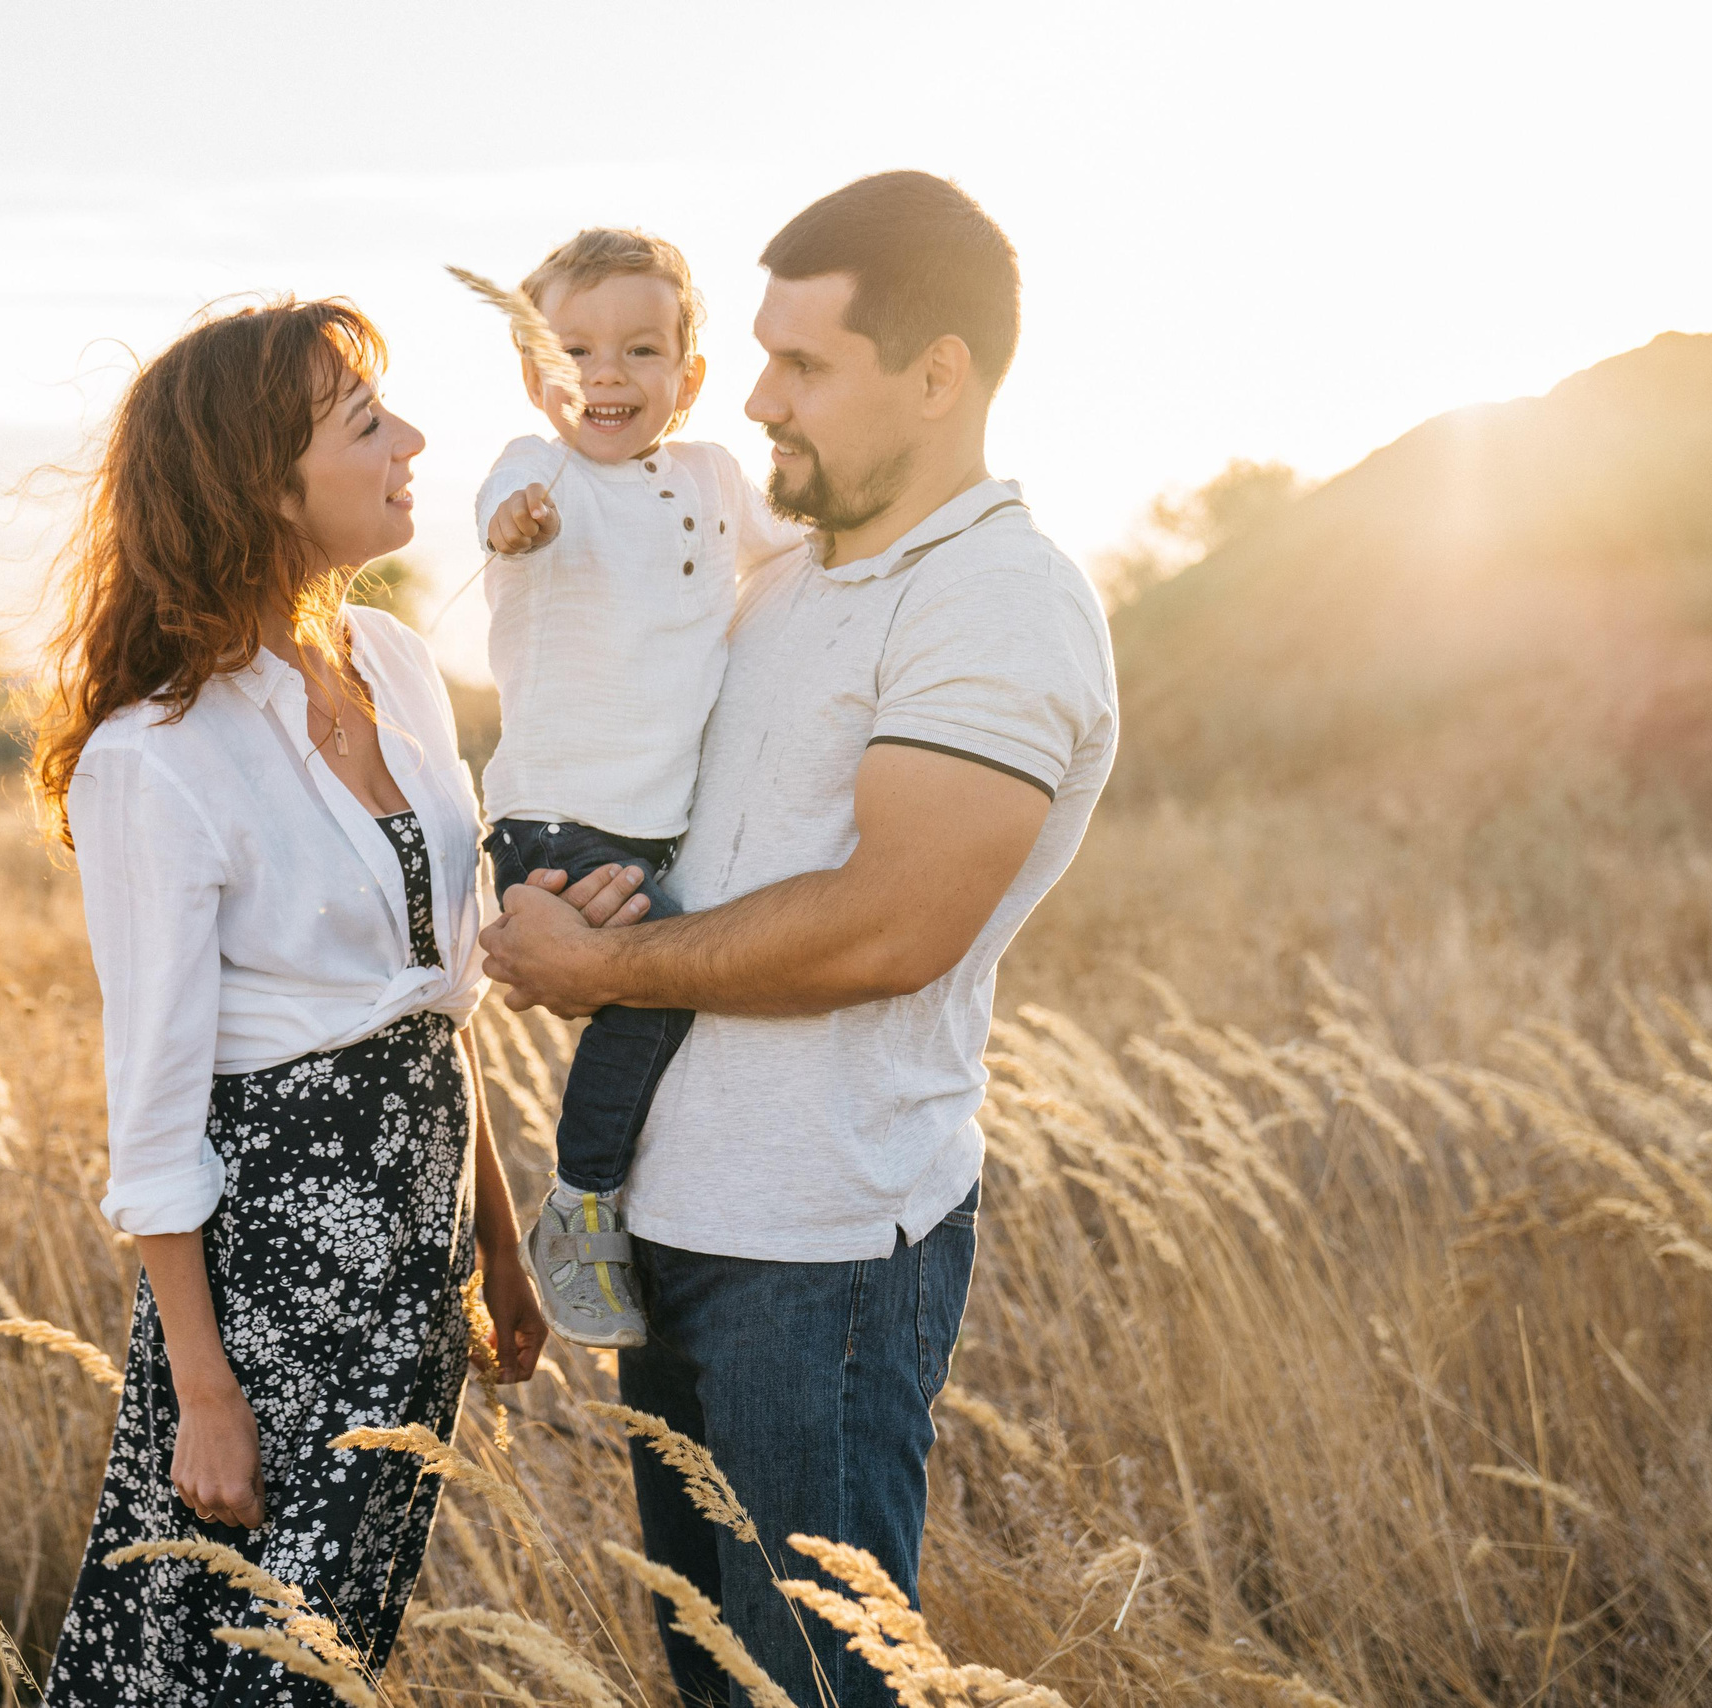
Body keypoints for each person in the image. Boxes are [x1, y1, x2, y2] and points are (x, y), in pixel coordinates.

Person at [481, 172, 1121, 1708]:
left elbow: (894, 924)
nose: (756, 399)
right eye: (758, 356)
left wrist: (610, 970)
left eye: (805, 366)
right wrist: (572, 904)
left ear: (938, 374)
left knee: (815, 1684)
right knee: (719, 1679)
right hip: (683, 1222)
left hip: (820, 1250)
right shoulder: (785, 579)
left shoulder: (996, 601)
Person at [30, 297, 547, 1707]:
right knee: (232, 1658)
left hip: (412, 1253)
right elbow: (152, 1110)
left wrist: (497, 1246)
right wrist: (202, 1392)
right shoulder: (159, 755)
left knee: (340, 1646)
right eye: (366, 424)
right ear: (265, 483)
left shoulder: (392, 666)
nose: (413, 442)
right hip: (270, 1277)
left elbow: (435, 1003)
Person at [471, 227, 801, 1349]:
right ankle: (579, 1198)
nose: (605, 375)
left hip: (653, 827)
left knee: (655, 991)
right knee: (654, 988)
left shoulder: (711, 474)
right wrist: (519, 528)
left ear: (688, 377)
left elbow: (795, 546)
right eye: (573, 352)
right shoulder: (537, 470)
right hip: (555, 820)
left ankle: (611, 1192)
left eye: (640, 350)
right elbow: (502, 518)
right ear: (534, 375)